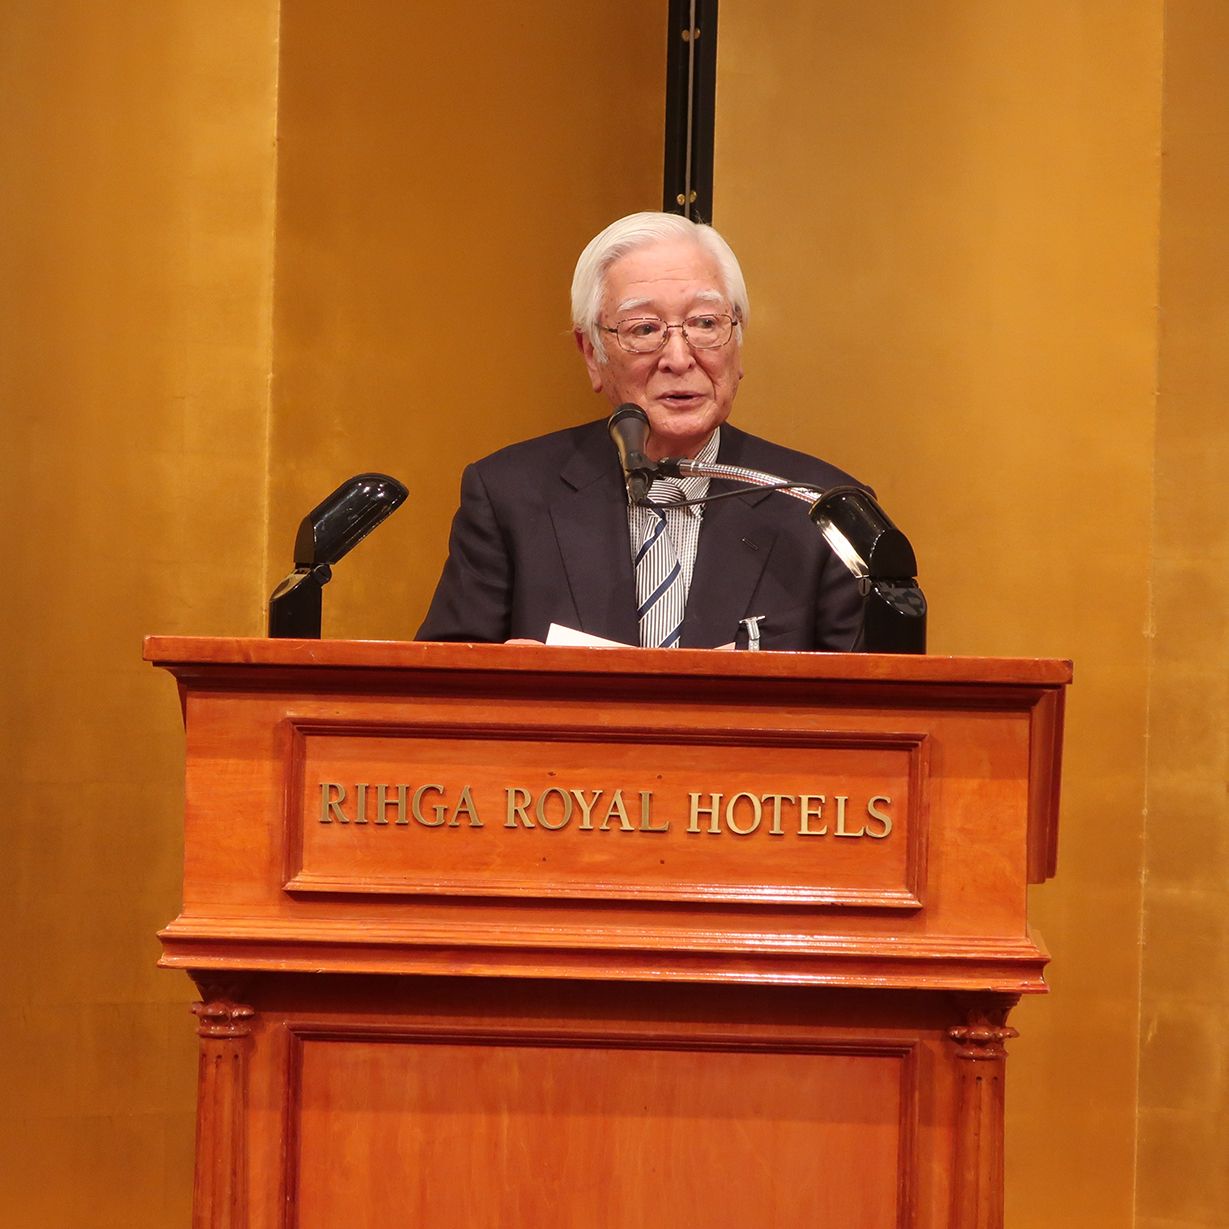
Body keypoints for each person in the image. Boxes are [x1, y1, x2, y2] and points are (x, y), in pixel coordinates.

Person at [416, 211, 867, 651]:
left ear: (738, 342)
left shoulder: (823, 510)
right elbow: (441, 685)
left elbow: (875, 694)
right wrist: (509, 684)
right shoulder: (510, 496)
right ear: (591, 353)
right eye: (645, 329)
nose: (679, 358)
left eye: (705, 324)